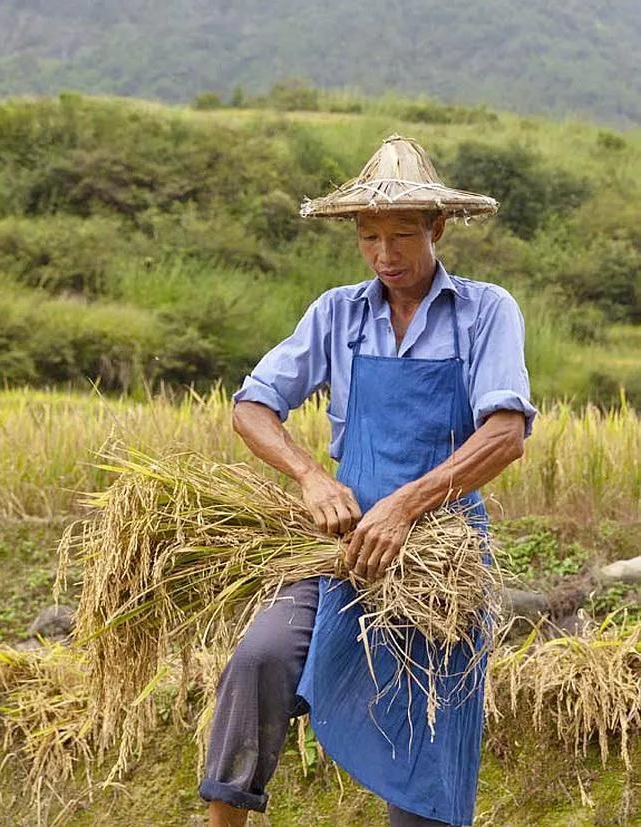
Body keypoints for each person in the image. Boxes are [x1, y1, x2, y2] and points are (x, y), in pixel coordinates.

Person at [199, 135, 537, 826]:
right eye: (369, 236)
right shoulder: (337, 313)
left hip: (439, 559)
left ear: (438, 228)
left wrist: (406, 507)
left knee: (422, 745)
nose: (386, 254)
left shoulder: (485, 311)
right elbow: (251, 406)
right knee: (260, 659)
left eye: (403, 235)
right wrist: (310, 477)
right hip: (344, 544)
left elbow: (505, 433)